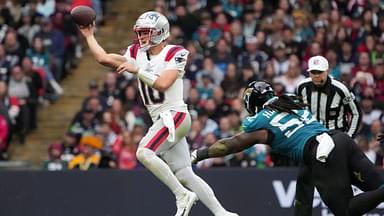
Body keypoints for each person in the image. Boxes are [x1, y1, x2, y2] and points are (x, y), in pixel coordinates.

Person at [78, 11, 237, 216]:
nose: (142, 37)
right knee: (184, 173)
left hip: (175, 115)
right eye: (140, 33)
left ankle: (182, 195)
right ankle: (223, 213)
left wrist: (136, 71)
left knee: (144, 152)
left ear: (161, 33)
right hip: (162, 119)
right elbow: (103, 58)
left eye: (146, 33)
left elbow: (163, 84)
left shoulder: (175, 52)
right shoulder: (136, 52)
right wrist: (89, 35)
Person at [191, 80, 384, 216]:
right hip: (339, 139)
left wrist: (199, 154)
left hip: (321, 152)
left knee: (346, 210)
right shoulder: (290, 102)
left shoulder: (261, 124)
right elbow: (304, 178)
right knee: (376, 187)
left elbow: (230, 144)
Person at [295, 55, 362, 216]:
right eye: (313, 72)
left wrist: (347, 138)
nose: (316, 76)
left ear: (327, 71)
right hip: (310, 140)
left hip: (334, 139)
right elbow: (297, 112)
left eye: (319, 72)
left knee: (339, 186)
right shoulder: (302, 87)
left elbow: (356, 113)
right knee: (303, 183)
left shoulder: (341, 89)